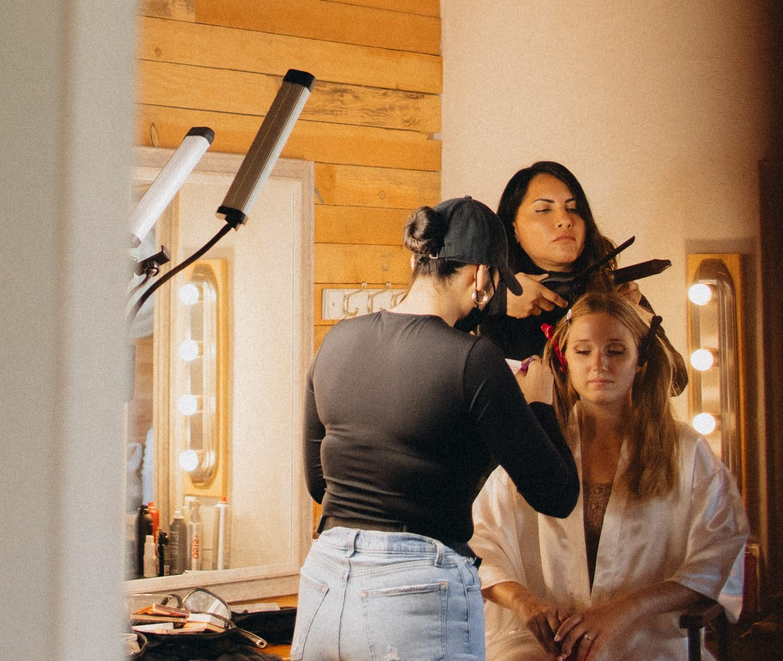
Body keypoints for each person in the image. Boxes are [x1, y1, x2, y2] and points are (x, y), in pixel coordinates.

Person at [297, 198, 582, 661]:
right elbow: (556, 494)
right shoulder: (473, 360)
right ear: (482, 278)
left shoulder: (337, 340)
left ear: (416, 260)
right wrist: (540, 402)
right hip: (414, 589)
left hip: (324, 582)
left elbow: (318, 483)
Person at [470, 290, 748, 661]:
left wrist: (625, 610)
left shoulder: (686, 452)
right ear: (564, 360)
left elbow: (719, 553)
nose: (598, 364)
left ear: (640, 363)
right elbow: (480, 540)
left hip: (646, 642)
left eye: (615, 351)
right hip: (541, 646)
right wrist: (524, 603)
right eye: (583, 351)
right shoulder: (536, 446)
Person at [483, 162, 619, 362]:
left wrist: (640, 319)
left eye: (573, 208)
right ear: (514, 229)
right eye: (544, 210)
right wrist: (494, 303)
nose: (565, 219)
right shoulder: (485, 294)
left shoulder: (613, 288)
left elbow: (676, 380)